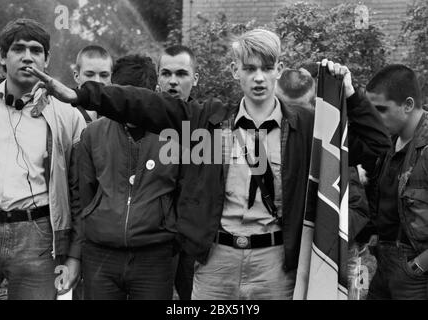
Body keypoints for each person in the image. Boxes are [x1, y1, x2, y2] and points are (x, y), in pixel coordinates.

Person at [27, 29, 390, 300]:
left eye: (267, 67)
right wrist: (82, 95)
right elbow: (144, 104)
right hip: (216, 261)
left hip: (275, 264)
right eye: (249, 68)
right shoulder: (209, 121)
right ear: (235, 71)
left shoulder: (306, 126)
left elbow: (375, 146)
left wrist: (352, 94)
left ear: (279, 70)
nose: (259, 77)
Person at [65, 54, 179, 300]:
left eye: (138, 99)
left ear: (154, 93)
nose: (131, 106)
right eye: (123, 98)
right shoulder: (92, 134)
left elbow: (184, 194)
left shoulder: (176, 136)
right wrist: (77, 252)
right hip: (100, 255)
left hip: (155, 256)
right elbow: (82, 197)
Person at [0, 18, 85, 300]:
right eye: (18, 49)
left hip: (38, 235)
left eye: (36, 50)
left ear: (47, 59)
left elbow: (81, 191)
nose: (27, 56)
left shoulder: (68, 115)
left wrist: (74, 257)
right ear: (2, 56)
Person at [364, 64, 428, 300]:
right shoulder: (386, 142)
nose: (375, 117)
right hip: (383, 264)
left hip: (416, 273)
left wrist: (419, 265)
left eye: (381, 109)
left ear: (408, 105)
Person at [157, 45, 198, 300]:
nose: (173, 81)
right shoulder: (143, 123)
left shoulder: (208, 125)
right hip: (152, 238)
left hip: (194, 240)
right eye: (166, 73)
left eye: (182, 73)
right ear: (157, 77)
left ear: (196, 77)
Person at [73, 45, 113, 124]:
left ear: (112, 77)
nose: (97, 81)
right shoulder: (64, 111)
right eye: (89, 75)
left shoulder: (118, 112)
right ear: (76, 76)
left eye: (104, 75)